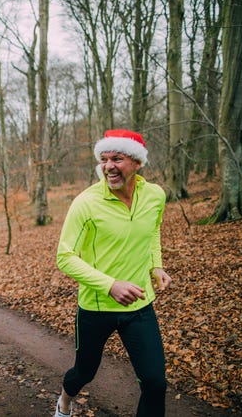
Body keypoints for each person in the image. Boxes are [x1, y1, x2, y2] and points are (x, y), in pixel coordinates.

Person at [53, 129, 172, 417]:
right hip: (96, 306)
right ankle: (64, 402)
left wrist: (155, 264)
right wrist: (110, 285)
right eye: (104, 159)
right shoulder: (86, 202)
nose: (108, 167)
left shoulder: (155, 195)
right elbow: (64, 257)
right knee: (84, 372)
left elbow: (152, 229)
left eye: (116, 158)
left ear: (137, 163)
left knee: (155, 383)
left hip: (140, 303)